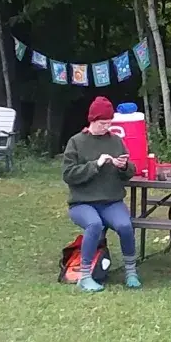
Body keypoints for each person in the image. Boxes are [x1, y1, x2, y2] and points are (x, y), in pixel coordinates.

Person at [62, 96, 140, 291]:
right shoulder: (76, 142)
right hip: (82, 203)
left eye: (109, 123)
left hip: (111, 201)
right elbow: (68, 175)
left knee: (125, 225)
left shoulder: (116, 141)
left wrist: (124, 167)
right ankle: (85, 276)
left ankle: (131, 272)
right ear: (92, 120)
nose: (106, 127)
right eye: (102, 123)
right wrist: (95, 165)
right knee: (94, 224)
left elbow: (129, 172)